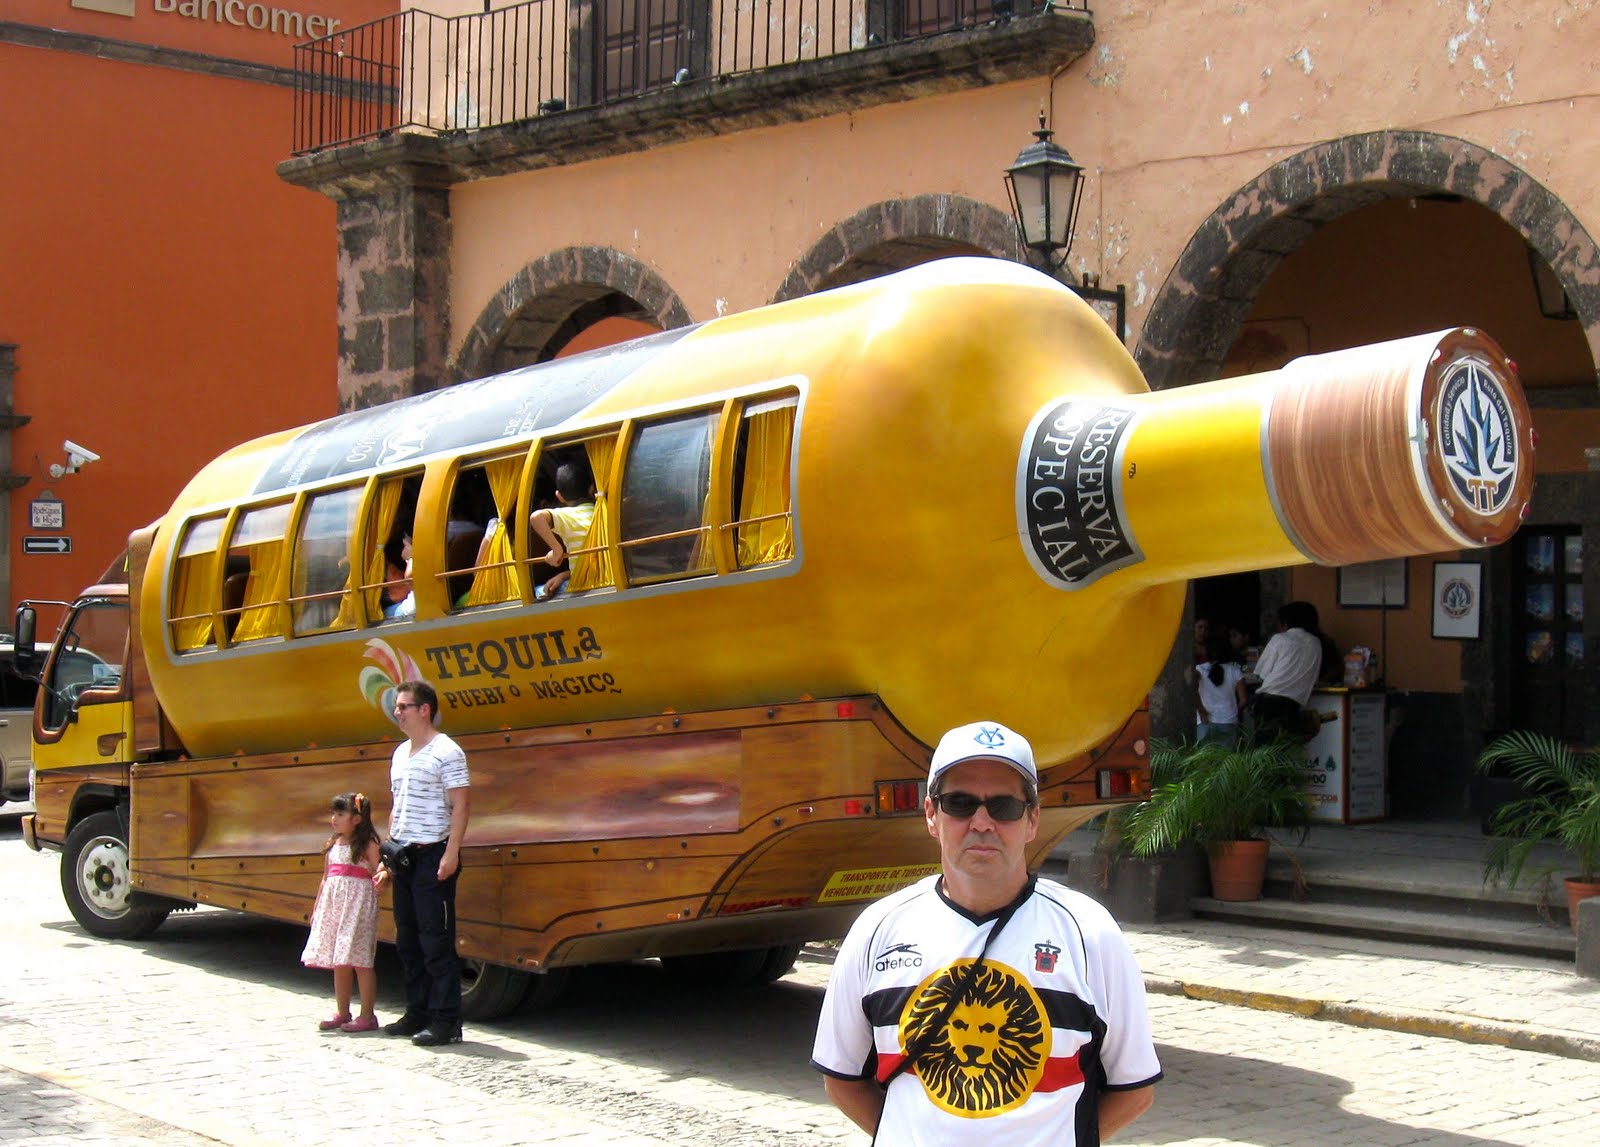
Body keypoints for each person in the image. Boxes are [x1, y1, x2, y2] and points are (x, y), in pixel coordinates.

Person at [812, 720, 1160, 1145]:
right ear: (931, 815)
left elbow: (1134, 1090)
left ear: (1032, 819)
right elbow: (842, 1080)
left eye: (1003, 806)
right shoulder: (877, 930)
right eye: (960, 804)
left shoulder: (1090, 933)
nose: (981, 822)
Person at [377, 680, 471, 1046]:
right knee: (408, 940)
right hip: (404, 856)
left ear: (424, 710)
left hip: (433, 852)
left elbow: (460, 805)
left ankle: (446, 1022)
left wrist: (451, 853)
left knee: (436, 941)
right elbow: (397, 805)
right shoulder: (401, 753)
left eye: (403, 706)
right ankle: (417, 1012)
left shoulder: (447, 751)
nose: (397, 712)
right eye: (397, 706)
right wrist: (387, 856)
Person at [301, 791, 383, 1033]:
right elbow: (326, 878)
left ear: (356, 819)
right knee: (341, 960)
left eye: (340, 814)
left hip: (358, 908)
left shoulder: (368, 844)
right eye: (333, 814)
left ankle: (367, 1015)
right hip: (335, 908)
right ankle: (342, 1011)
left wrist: (383, 877)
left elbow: (379, 869)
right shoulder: (333, 844)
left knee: (361, 961)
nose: (334, 819)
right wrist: (318, 908)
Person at [1249, 600, 1325, 736]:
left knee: (1266, 746)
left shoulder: (1279, 639)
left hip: (1269, 702)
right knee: (1286, 744)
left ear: (1285, 622)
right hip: (1293, 706)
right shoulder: (1316, 643)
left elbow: (1261, 673)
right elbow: (1314, 678)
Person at [528, 461, 596, 600]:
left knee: (535, 592)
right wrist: (563, 575)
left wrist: (556, 550)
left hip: (583, 585)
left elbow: (536, 517)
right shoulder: (601, 511)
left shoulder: (568, 515)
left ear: (559, 496)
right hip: (606, 578)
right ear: (591, 489)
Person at [1195, 631, 1248, 746]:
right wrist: (1235, 712)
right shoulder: (1235, 671)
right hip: (1228, 722)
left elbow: (1192, 692)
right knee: (1227, 757)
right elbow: (1243, 700)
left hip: (1205, 721)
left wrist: (1202, 710)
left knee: (1204, 757)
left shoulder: (1199, 670)